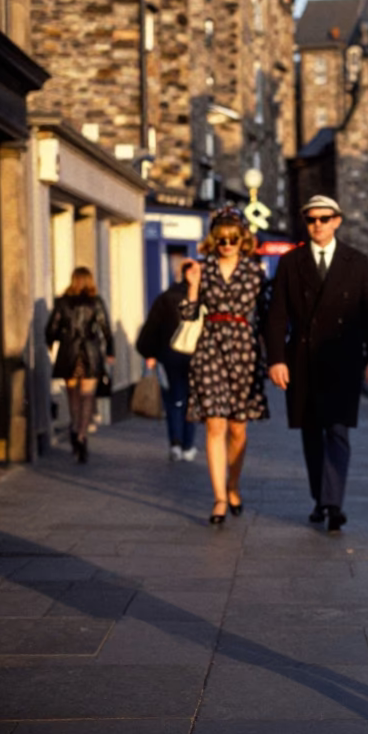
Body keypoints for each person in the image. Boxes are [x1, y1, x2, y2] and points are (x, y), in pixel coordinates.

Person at [265, 195, 368, 533]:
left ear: (337, 221)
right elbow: (276, 316)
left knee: (337, 430)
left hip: (343, 358)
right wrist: (276, 359)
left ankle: (333, 503)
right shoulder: (290, 262)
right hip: (302, 359)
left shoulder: (356, 261)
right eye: (311, 219)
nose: (317, 224)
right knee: (311, 433)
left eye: (323, 218)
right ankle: (321, 497)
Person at [181, 208, 269, 525]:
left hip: (245, 353)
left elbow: (269, 317)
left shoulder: (256, 273)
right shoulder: (201, 270)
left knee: (238, 428)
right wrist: (192, 287)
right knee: (215, 425)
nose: (227, 243)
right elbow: (188, 315)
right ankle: (219, 498)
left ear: (242, 238)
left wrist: (277, 359)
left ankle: (233, 485)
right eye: (221, 238)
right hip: (210, 349)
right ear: (213, 239)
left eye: (233, 238)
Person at [45, 267, 114, 463]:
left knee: (73, 395)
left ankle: (75, 427)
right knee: (87, 396)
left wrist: (54, 341)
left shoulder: (63, 302)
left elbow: (52, 328)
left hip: (69, 352)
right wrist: (110, 351)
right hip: (89, 352)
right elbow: (105, 328)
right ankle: (82, 434)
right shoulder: (95, 302)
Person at [136, 260, 199, 461]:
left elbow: (152, 327)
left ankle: (176, 443)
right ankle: (188, 445)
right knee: (191, 400)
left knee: (175, 399)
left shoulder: (165, 298)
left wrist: (150, 354)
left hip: (170, 356)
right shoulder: (202, 299)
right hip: (195, 357)